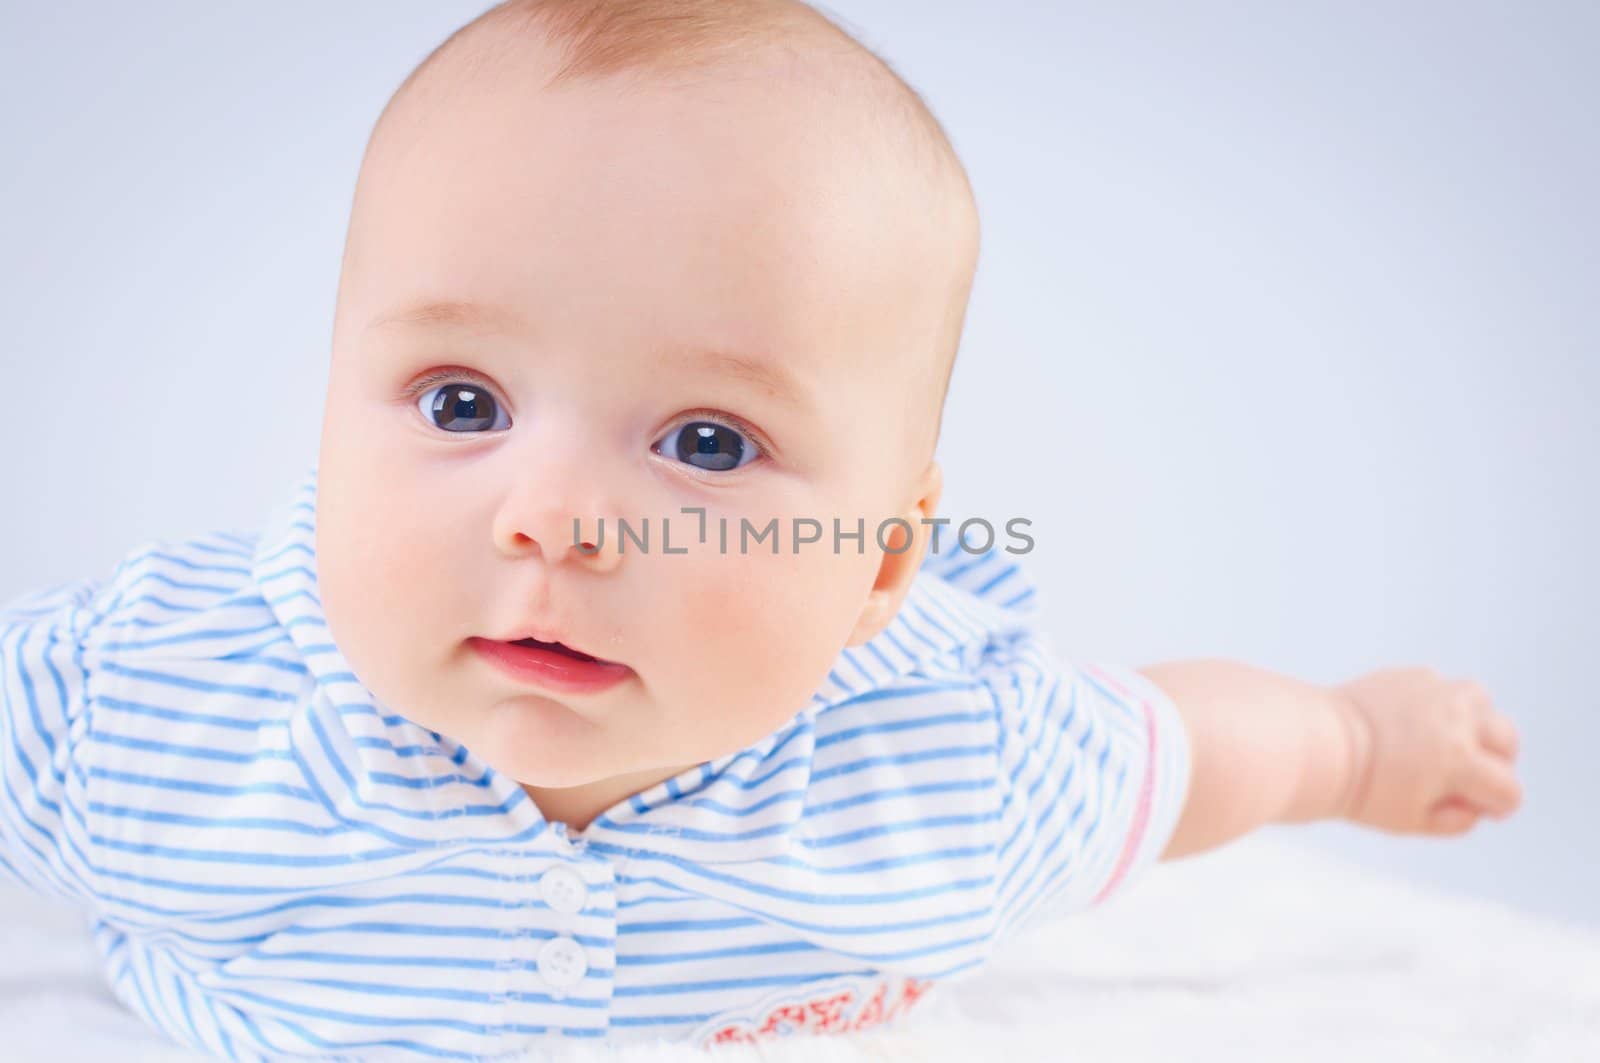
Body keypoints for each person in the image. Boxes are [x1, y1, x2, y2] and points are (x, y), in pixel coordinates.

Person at [0, 0, 1522, 1057]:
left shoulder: (952, 767)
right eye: (461, 402)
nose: (553, 521)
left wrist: (1356, 745)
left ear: (874, 563)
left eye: (707, 444)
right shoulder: (145, 709)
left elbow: (1190, 752)